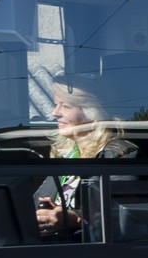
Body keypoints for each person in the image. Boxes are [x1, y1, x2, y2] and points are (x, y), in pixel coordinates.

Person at [37, 75, 137, 241]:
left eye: (65, 106)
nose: (54, 113)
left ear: (92, 113)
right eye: (56, 105)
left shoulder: (118, 154)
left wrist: (75, 218)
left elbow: (122, 217)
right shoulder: (67, 155)